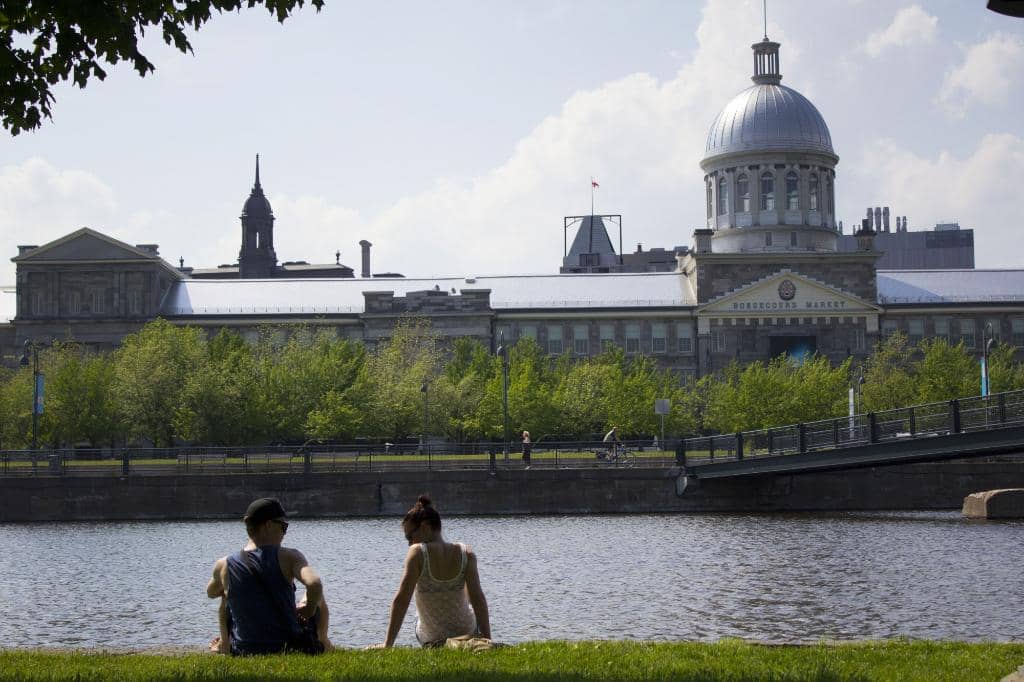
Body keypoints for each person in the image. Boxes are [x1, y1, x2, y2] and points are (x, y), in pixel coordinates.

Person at [206, 497, 332, 655]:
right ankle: (324, 642)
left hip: (245, 650)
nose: (284, 533)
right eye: (283, 526)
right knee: (316, 596)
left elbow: (211, 593)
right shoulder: (290, 557)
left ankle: (225, 644)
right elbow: (314, 584)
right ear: (268, 525)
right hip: (289, 646)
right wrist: (308, 609)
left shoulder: (223, 564)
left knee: (226, 595)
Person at [380, 495, 491, 648]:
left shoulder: (417, 552)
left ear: (425, 527)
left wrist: (387, 644)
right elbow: (479, 600)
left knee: (416, 616)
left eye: (410, 537)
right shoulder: (466, 553)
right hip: (467, 631)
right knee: (468, 593)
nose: (409, 543)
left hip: (432, 639)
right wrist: (487, 639)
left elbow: (401, 600)